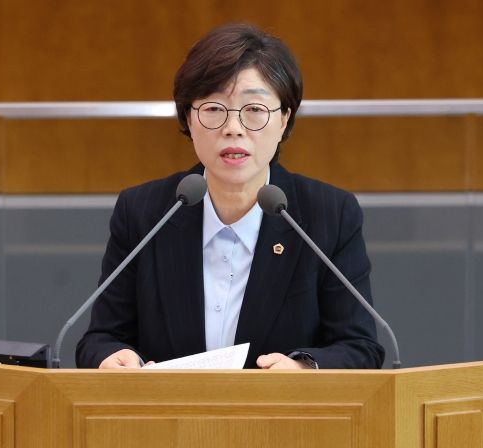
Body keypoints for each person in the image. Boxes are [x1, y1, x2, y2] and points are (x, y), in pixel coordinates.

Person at [76, 23, 385, 370]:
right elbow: (100, 339)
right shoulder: (144, 213)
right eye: (213, 109)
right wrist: (113, 358)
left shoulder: (328, 215)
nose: (233, 128)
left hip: (279, 408)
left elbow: (360, 348)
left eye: (254, 109)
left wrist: (304, 369)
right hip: (169, 407)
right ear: (189, 118)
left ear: (284, 119)